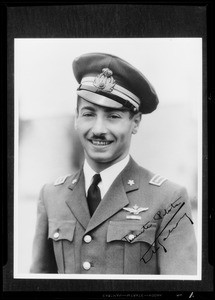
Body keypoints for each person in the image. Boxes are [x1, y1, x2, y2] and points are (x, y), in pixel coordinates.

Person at [30, 52, 197, 275]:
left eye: (113, 116)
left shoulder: (168, 199)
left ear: (135, 123)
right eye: (89, 114)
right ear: (76, 118)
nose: (98, 129)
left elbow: (180, 290)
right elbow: (37, 286)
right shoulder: (51, 196)